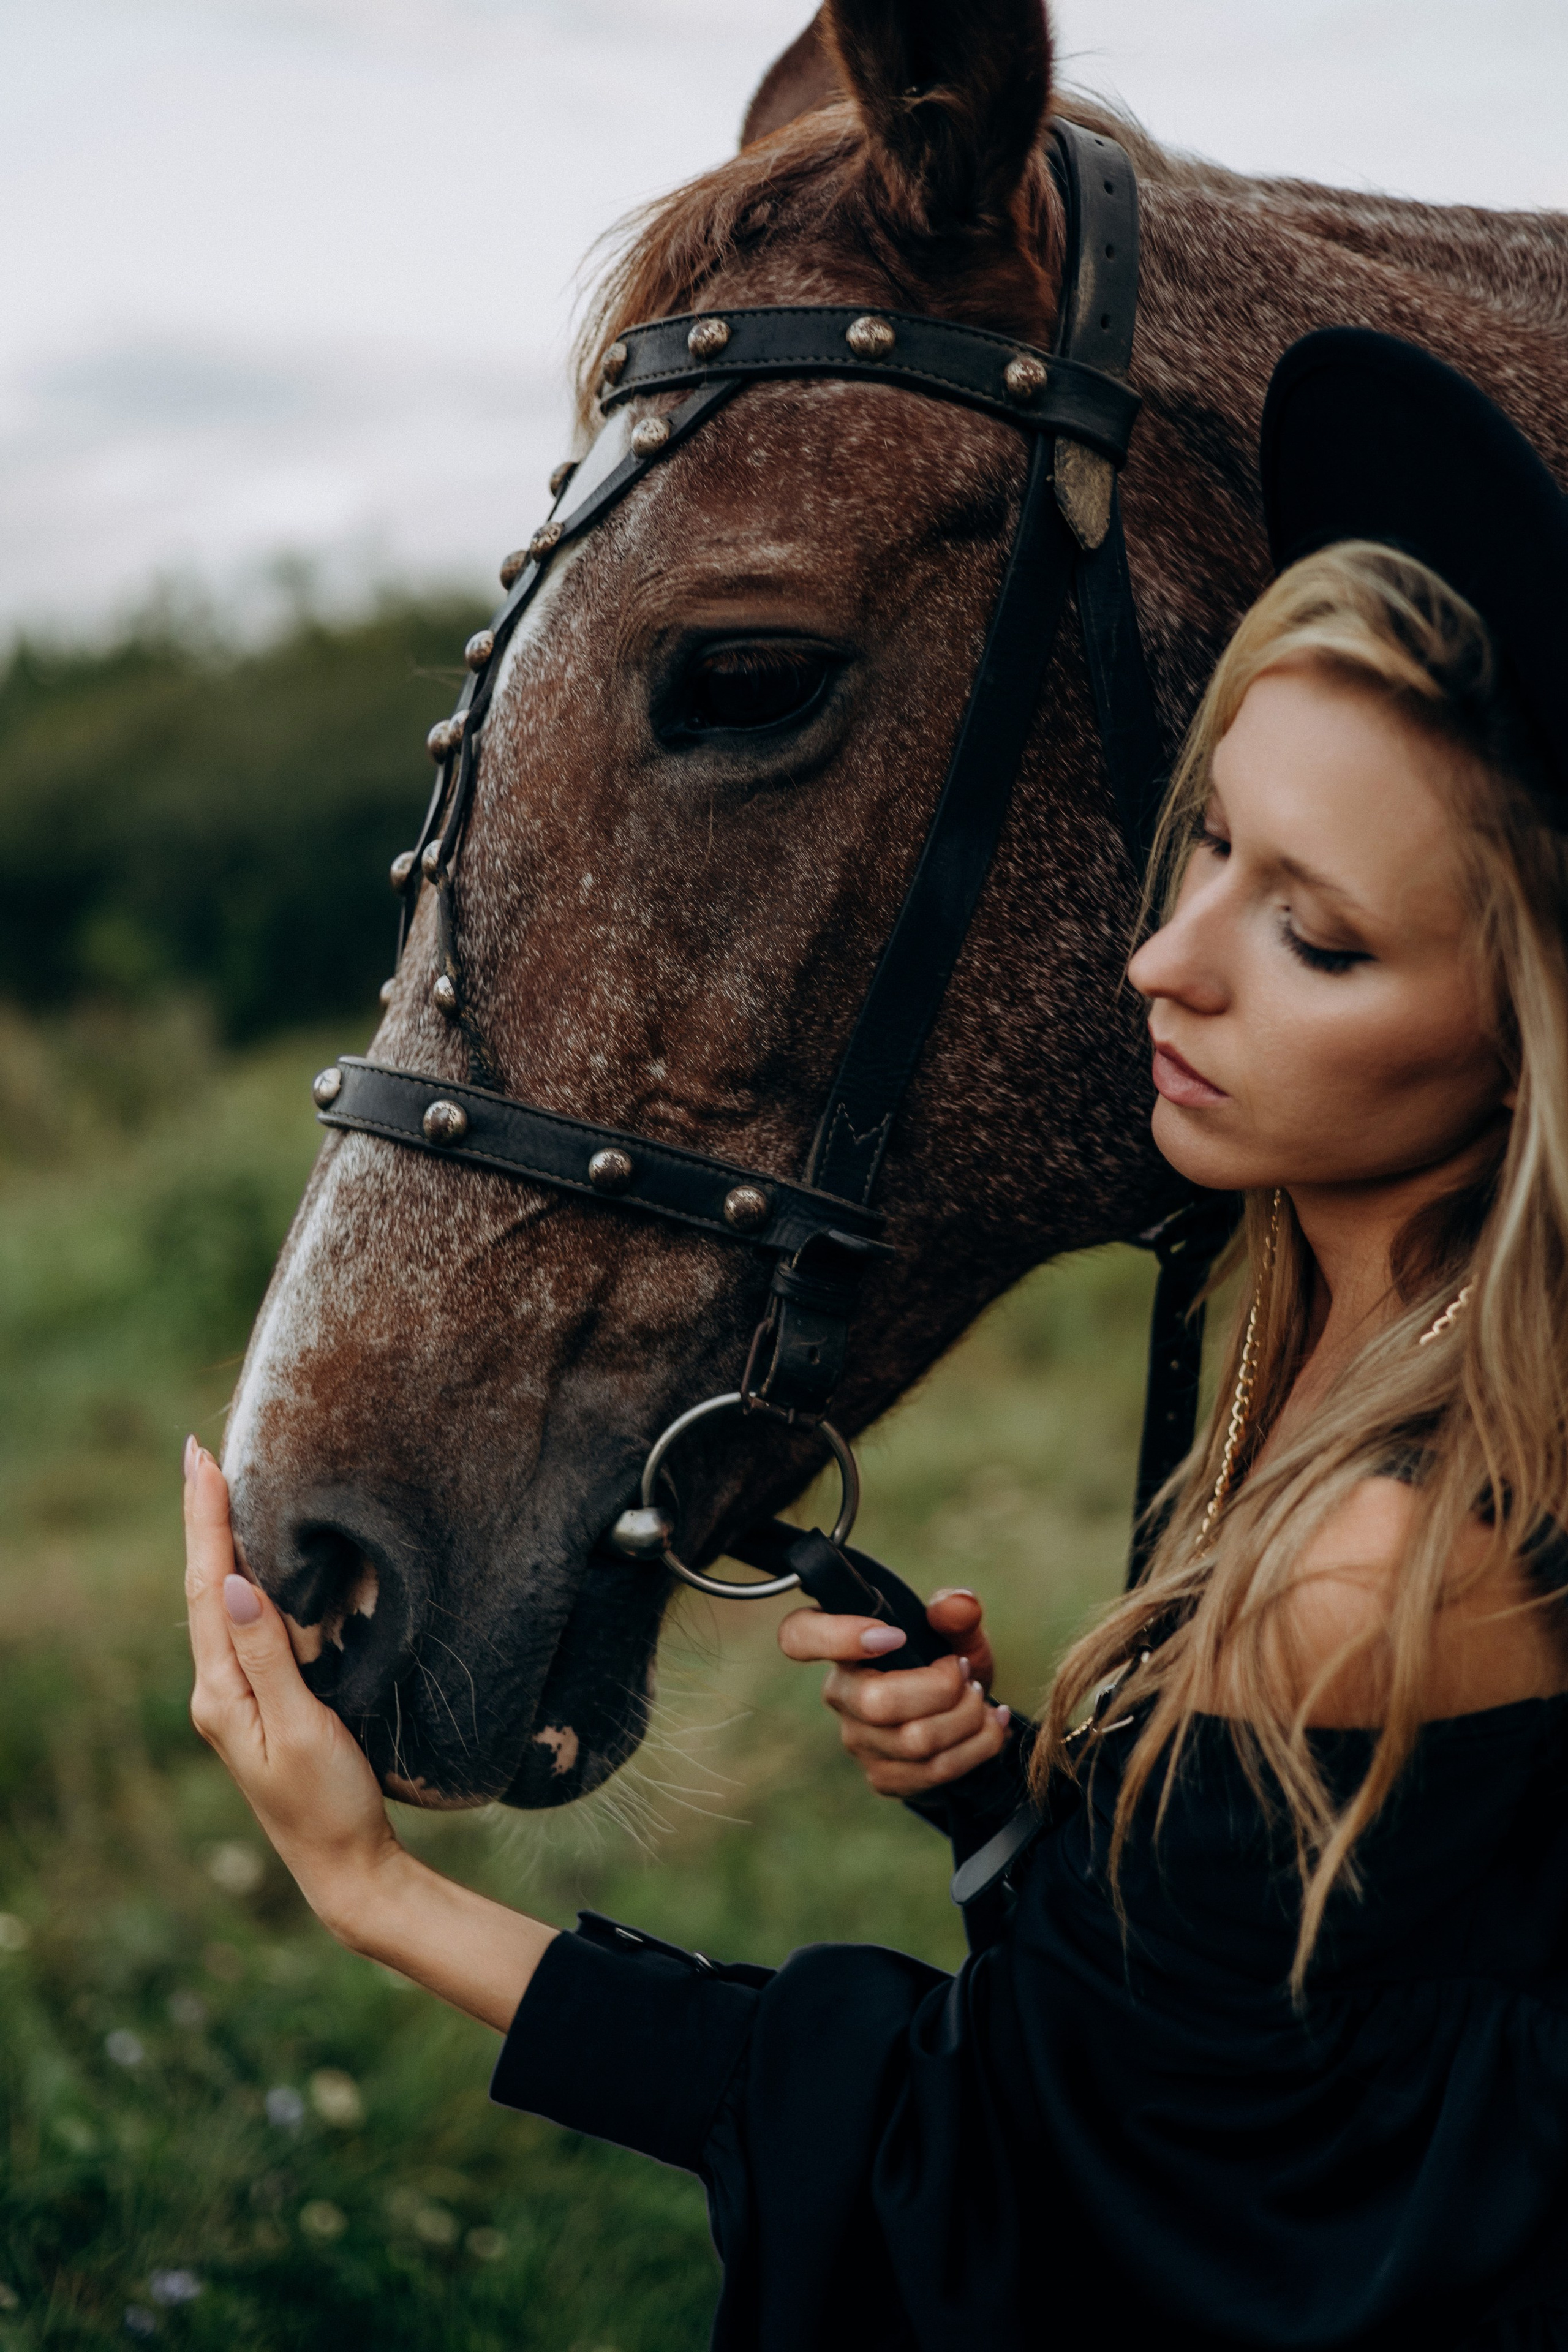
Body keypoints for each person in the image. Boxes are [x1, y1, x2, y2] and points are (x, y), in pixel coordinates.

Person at [183, 330, 1568, 2350]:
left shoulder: (1380, 1562)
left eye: (1319, 936)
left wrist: (374, 1893)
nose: (1163, 963)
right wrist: (1012, 1804)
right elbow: (1303, 2014)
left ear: (1522, 1023)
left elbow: (1007, 2168)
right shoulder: (1321, 1321)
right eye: (1206, 847)